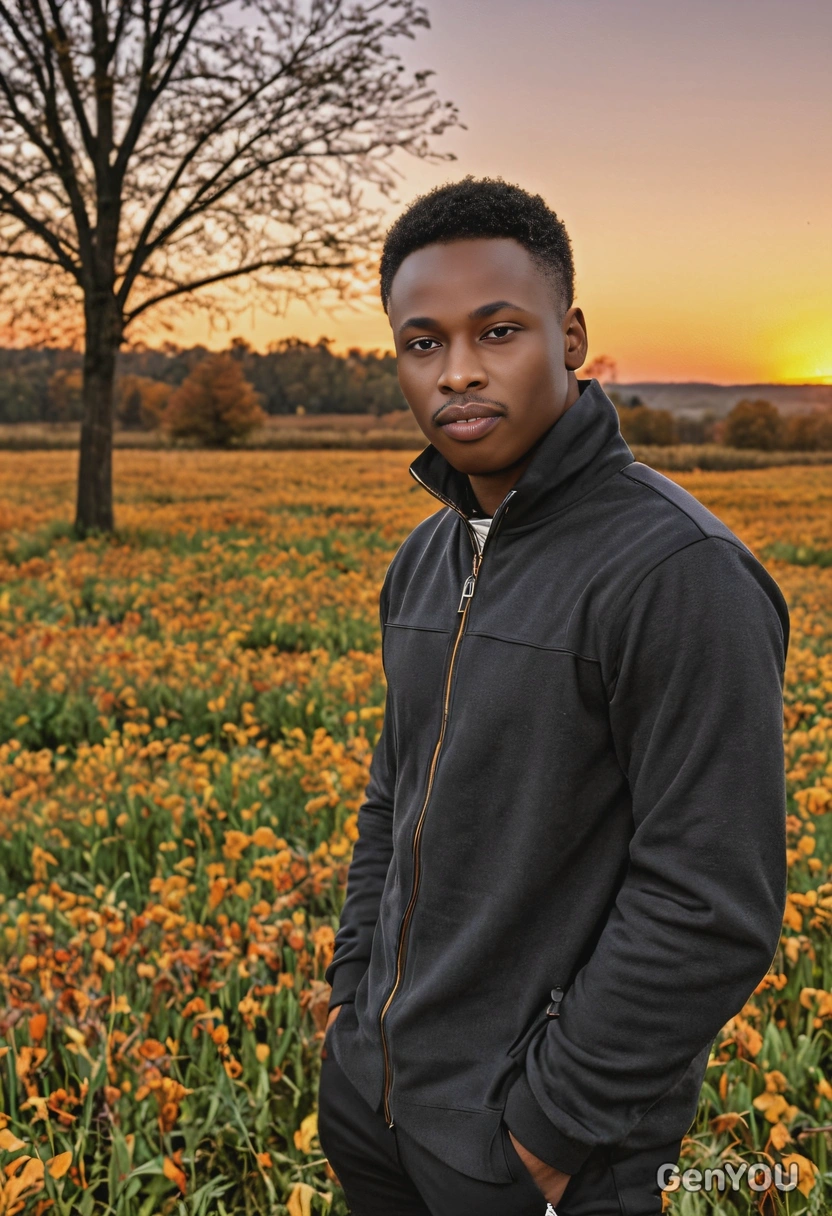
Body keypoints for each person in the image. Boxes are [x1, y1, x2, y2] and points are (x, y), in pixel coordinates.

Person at [316, 177, 789, 1215]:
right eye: (423, 342)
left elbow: (710, 900)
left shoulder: (679, 572)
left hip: (535, 1154)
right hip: (377, 1110)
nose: (460, 373)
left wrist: (546, 1130)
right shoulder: (423, 560)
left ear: (570, 337)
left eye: (497, 330)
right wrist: (351, 1014)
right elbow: (393, 796)